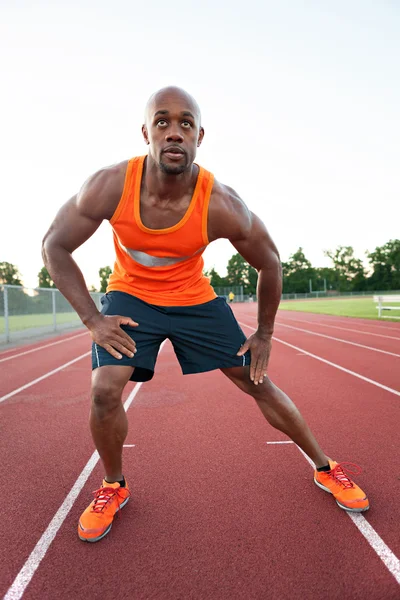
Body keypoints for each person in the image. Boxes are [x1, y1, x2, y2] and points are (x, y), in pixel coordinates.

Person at [42, 86, 369, 543]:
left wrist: (266, 334)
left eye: (185, 124)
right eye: (162, 122)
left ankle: (325, 467)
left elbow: (270, 262)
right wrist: (92, 320)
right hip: (131, 297)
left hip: (193, 300)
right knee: (103, 391)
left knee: (258, 380)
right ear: (145, 133)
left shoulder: (222, 204)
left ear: (200, 136)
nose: (174, 132)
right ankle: (113, 486)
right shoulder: (110, 185)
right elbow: (54, 244)